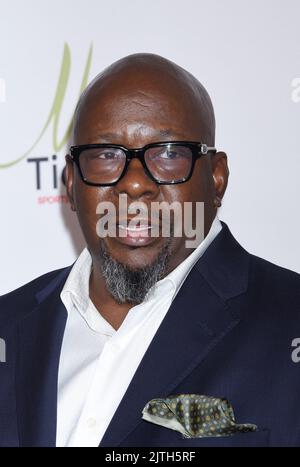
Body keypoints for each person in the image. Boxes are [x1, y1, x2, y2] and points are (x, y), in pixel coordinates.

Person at [0, 53, 299, 447]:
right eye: (107, 155)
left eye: (169, 153)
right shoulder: (9, 324)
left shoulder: (289, 320)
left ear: (217, 177)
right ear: (71, 184)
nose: (136, 184)